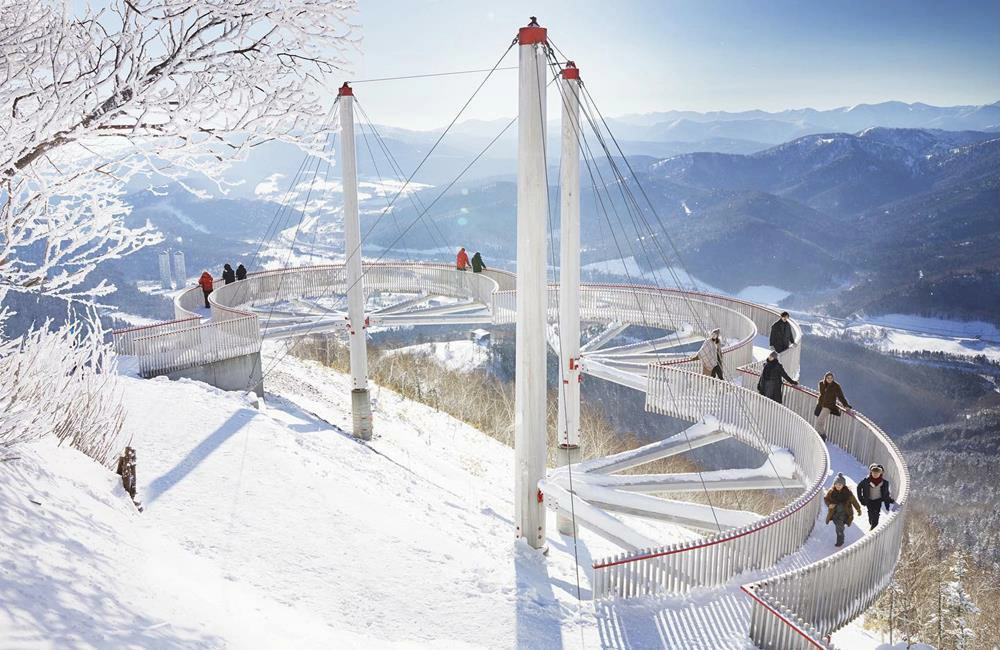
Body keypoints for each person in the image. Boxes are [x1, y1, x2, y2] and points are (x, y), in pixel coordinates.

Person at [825, 473, 862, 547]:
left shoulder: (848, 493)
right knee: (838, 525)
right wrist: (829, 505)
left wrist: (858, 509)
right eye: (837, 484)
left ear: (843, 485)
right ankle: (840, 531)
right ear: (834, 484)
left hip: (845, 513)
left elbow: (854, 501)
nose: (838, 486)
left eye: (840, 485)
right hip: (835, 513)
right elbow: (826, 499)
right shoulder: (831, 492)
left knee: (839, 527)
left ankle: (840, 540)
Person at [814, 371, 851, 441]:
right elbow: (821, 394)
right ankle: (821, 437)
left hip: (828, 406)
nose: (830, 379)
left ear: (833, 378)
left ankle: (823, 436)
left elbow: (841, 397)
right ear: (825, 378)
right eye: (828, 378)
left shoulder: (836, 386)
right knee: (821, 423)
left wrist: (846, 405)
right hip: (820, 405)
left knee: (818, 423)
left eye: (831, 378)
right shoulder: (821, 384)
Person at [856, 463, 895, 529]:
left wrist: (888, 503)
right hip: (869, 500)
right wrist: (861, 499)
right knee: (870, 513)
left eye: (877, 473)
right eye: (874, 473)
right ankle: (872, 522)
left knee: (876, 514)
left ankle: (874, 526)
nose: (875, 474)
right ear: (871, 472)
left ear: (880, 473)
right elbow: (859, 488)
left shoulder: (884, 483)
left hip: (878, 500)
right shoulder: (866, 481)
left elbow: (886, 494)